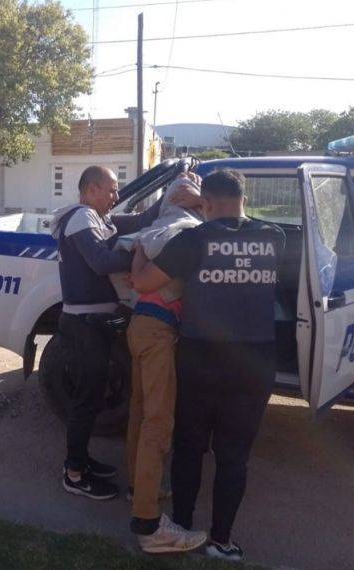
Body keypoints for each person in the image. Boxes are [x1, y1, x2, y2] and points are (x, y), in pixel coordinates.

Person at [132, 169, 284, 561]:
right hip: (253, 361)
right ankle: (222, 541)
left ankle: (182, 526)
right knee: (234, 456)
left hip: (200, 358)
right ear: (244, 198)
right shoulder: (275, 237)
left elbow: (145, 283)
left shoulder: (193, 239)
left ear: (206, 203)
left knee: (189, 447)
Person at [50, 165, 197, 500]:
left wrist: (172, 194)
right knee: (86, 400)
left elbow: (143, 222)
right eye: (112, 190)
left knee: (92, 396)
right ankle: (73, 474)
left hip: (96, 322)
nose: (116, 197)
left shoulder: (99, 220)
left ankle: (81, 461)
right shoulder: (82, 216)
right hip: (83, 324)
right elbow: (101, 262)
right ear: (90, 191)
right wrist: (140, 257)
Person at [126, 174, 207, 553]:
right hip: (158, 331)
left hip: (140, 325)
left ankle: (139, 487)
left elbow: (135, 277)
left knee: (140, 416)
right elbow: (142, 282)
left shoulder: (156, 230)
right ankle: (149, 526)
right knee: (158, 423)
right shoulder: (187, 232)